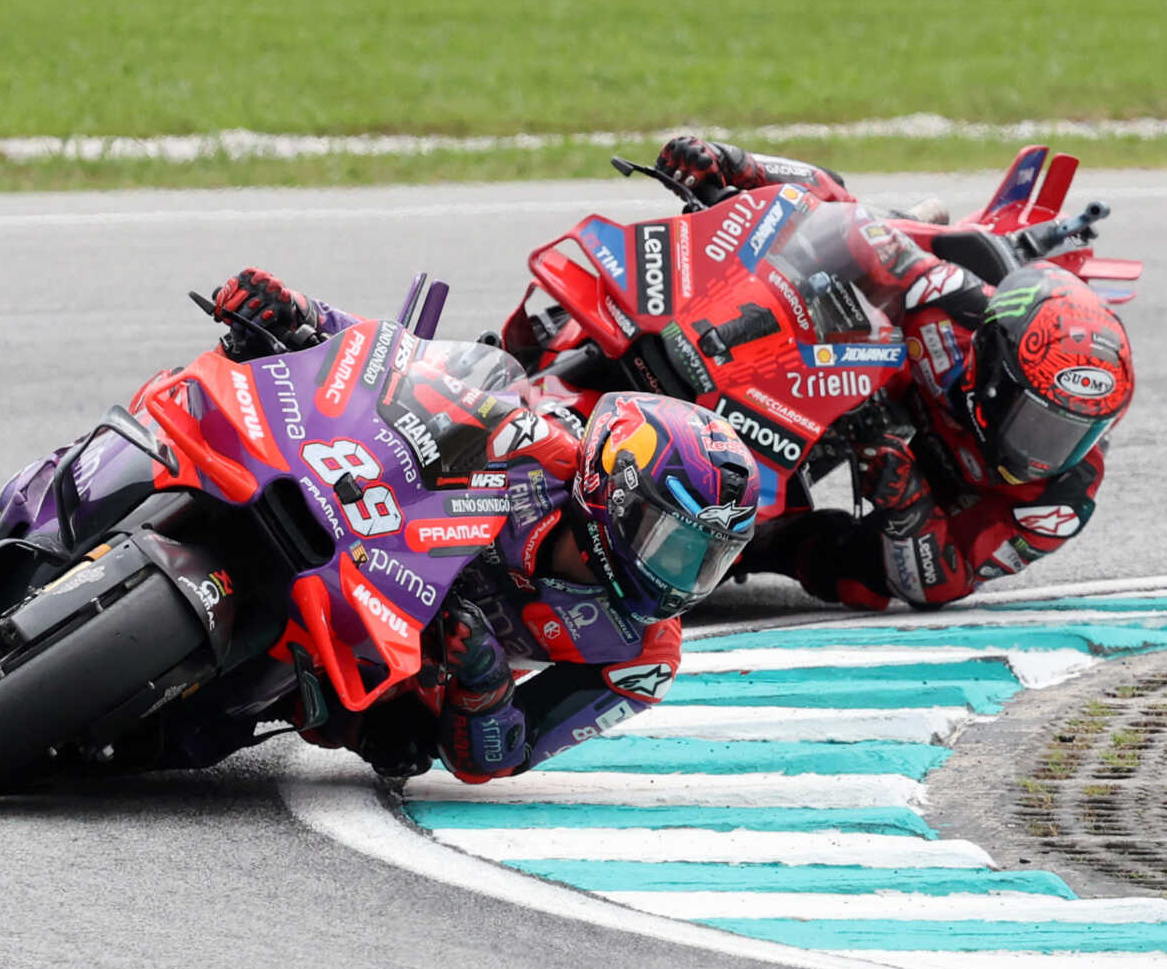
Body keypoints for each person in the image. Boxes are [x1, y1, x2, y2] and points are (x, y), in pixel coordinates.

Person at [205, 268, 759, 780]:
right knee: (243, 401)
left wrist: (485, 683)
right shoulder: (539, 447)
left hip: (397, 660)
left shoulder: (642, 656)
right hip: (361, 527)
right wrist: (303, 313)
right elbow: (398, 366)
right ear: (613, 495)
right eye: (673, 543)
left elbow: (500, 760)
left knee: (405, 744)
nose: (681, 575)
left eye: (708, 560)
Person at [641, 137, 1136, 610]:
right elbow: (844, 216)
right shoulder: (952, 303)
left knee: (861, 578)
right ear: (997, 376)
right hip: (848, 379)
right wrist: (738, 165)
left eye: (1077, 432)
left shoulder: (1060, 502)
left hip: (913, 490)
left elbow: (945, 583)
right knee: (822, 256)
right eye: (1042, 424)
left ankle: (764, 543)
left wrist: (909, 506)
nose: (1051, 452)